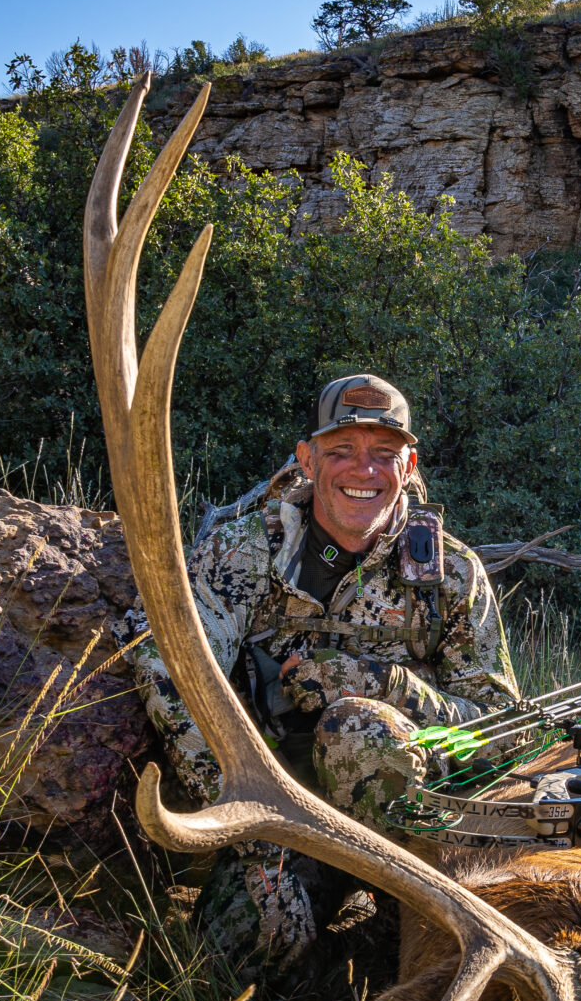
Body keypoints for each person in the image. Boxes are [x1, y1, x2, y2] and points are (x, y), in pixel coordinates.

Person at [125, 373, 520, 967]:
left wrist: (387, 688)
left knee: (360, 732)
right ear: (308, 459)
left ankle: (400, 928)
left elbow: (501, 728)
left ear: (408, 464)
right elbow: (166, 654)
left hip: (416, 837)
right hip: (278, 817)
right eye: (341, 452)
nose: (364, 471)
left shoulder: (452, 576)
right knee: (237, 961)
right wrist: (239, 808)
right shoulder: (245, 552)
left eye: (384, 454)